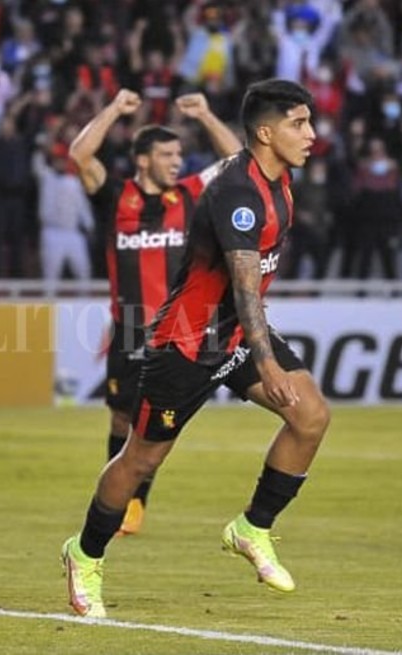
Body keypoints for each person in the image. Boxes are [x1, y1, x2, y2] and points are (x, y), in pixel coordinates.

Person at [61, 79, 330, 618]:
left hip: (232, 333)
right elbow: (246, 284)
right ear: (265, 131)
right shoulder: (236, 194)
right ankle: (84, 554)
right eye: (299, 123)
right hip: (183, 345)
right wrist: (269, 363)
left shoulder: (277, 181)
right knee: (141, 458)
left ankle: (252, 527)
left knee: (311, 417)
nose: (312, 134)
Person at [68, 88, 242, 535]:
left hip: (175, 331)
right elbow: (80, 154)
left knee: (154, 425)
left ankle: (134, 504)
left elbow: (240, 160)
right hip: (127, 329)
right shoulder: (116, 196)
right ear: (143, 160)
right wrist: (113, 109)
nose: (176, 162)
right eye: (166, 154)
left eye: (179, 154)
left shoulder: (188, 195)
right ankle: (119, 500)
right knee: (121, 418)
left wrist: (205, 115)